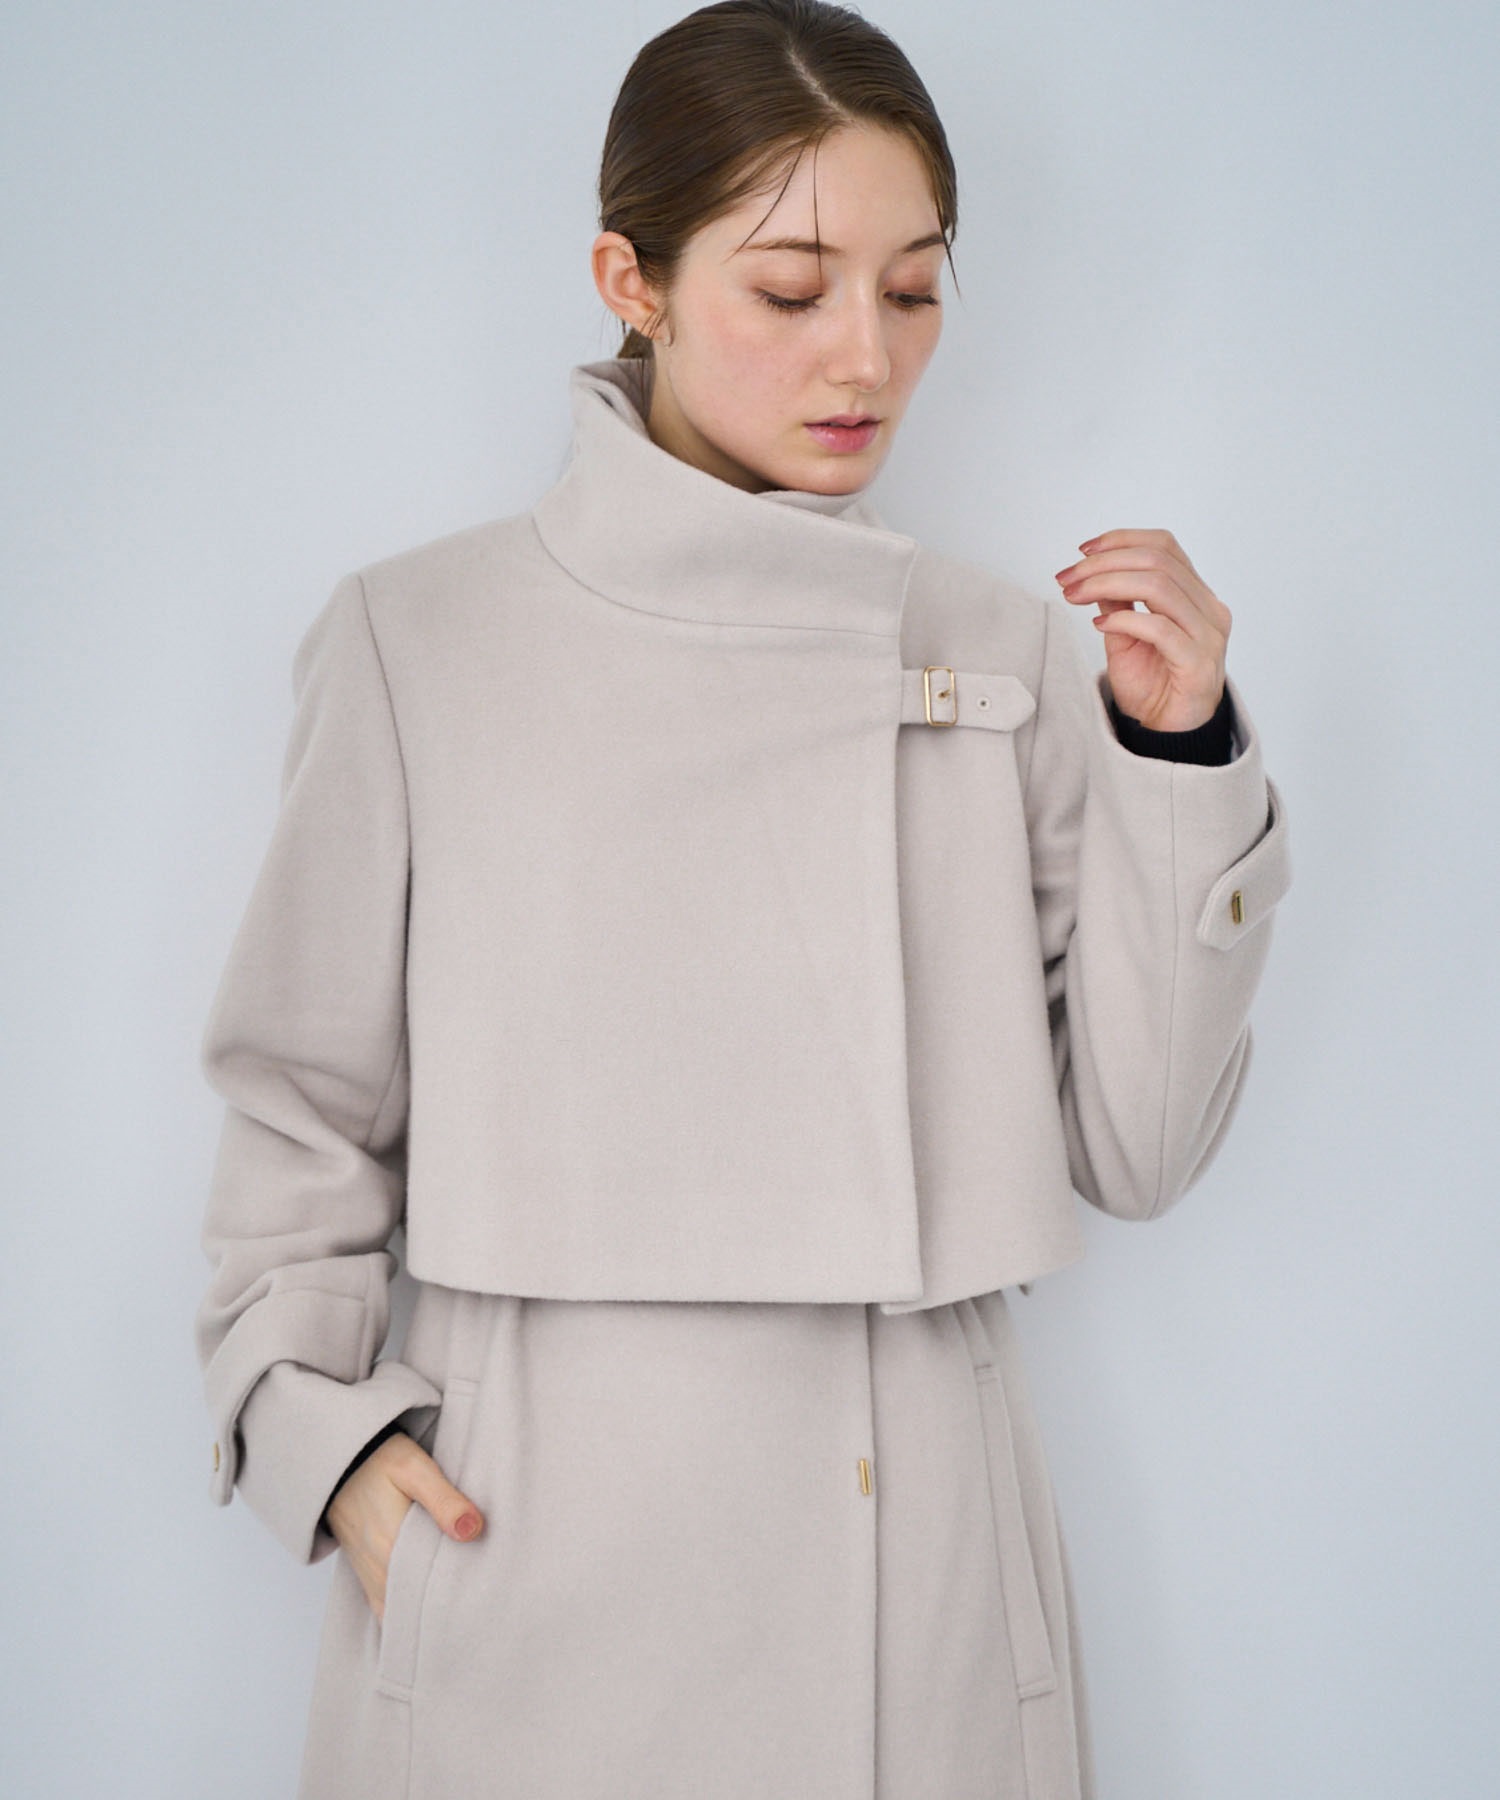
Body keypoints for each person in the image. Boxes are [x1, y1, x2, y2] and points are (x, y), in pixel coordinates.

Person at [193, 2, 1290, 1795]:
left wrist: (1178, 757)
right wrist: (323, 1445)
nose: (866, 355)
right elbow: (299, 1114)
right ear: (629, 280)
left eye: (914, 291)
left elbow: (1140, 1148)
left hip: (917, 1575)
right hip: (530, 1554)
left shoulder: (998, 650)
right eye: (792, 290)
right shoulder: (420, 641)